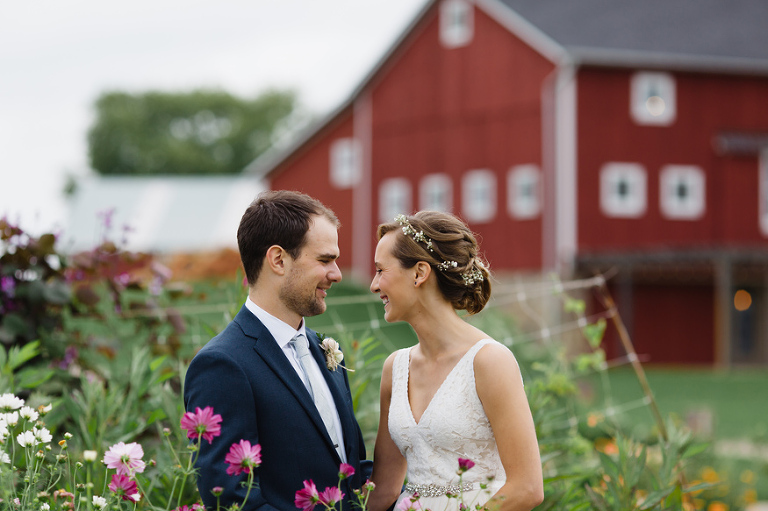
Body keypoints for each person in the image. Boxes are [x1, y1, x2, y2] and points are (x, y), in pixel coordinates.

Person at [184, 190, 372, 511]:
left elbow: (351, 468)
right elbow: (231, 498)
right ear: (279, 260)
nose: (337, 274)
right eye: (325, 260)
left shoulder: (325, 351)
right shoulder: (223, 364)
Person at [367, 211, 543, 511]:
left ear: (419, 273)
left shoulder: (489, 361)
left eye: (381, 270)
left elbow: (527, 488)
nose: (373, 285)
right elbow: (384, 488)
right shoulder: (394, 369)